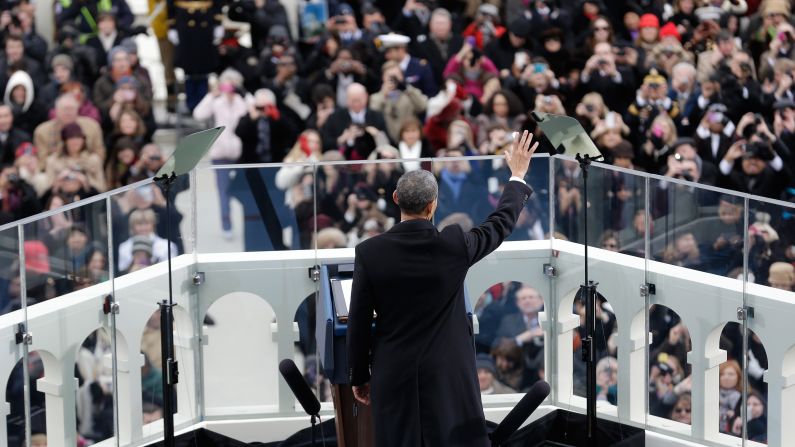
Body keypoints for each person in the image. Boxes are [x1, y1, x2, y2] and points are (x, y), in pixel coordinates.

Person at [347, 130, 538, 447]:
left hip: (393, 371)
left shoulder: (369, 252)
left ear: (396, 199)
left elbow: (358, 321)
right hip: (448, 374)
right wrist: (517, 175)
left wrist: (359, 375)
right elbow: (500, 222)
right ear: (433, 205)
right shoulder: (453, 245)